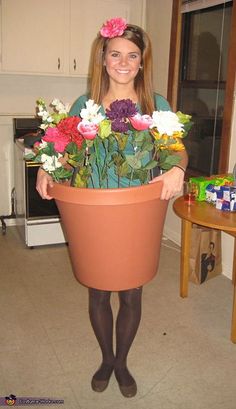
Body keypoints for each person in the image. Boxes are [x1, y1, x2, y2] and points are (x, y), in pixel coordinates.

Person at [36, 18, 188, 398]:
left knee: (132, 291)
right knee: (99, 291)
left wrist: (179, 169)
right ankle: (107, 358)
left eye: (132, 56)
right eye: (116, 54)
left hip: (137, 210)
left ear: (141, 61)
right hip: (93, 210)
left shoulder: (157, 105)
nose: (124, 62)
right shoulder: (83, 104)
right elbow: (62, 148)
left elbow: (177, 150)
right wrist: (45, 166)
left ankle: (122, 362)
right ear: (103, 58)